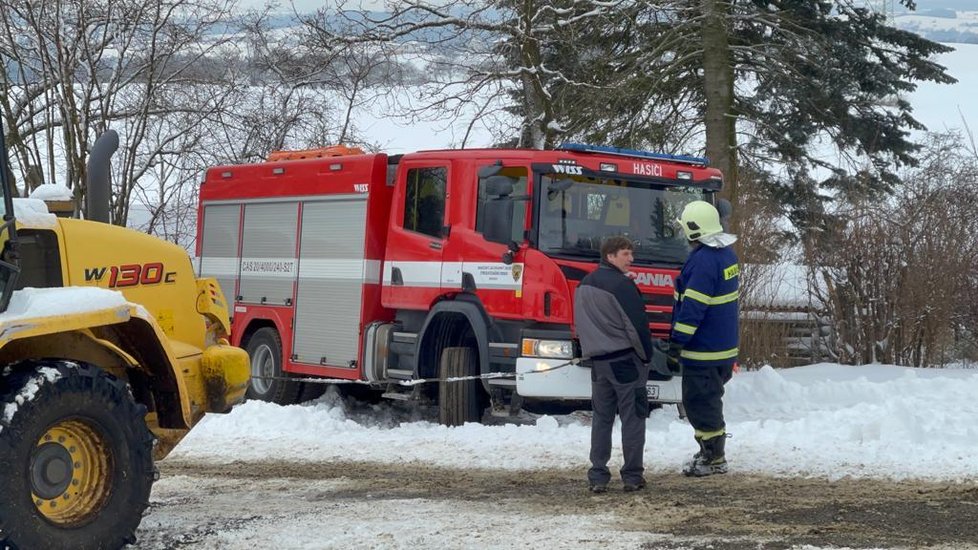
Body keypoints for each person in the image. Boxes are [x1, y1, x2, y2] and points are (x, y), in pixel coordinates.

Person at [574, 236, 654, 493]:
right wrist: (646, 357)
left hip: (598, 364)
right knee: (633, 419)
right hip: (625, 362)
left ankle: (597, 476)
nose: (631, 259)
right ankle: (632, 476)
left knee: (602, 419)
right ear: (610, 256)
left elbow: (581, 325)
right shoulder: (622, 286)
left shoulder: (585, 284)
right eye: (625, 254)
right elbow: (637, 327)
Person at [667, 200, 739, 477]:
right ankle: (709, 450)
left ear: (693, 230)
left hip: (704, 351)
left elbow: (693, 309)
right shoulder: (725, 255)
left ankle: (714, 457)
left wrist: (676, 343)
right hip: (722, 348)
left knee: (700, 403)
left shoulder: (703, 262)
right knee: (708, 400)